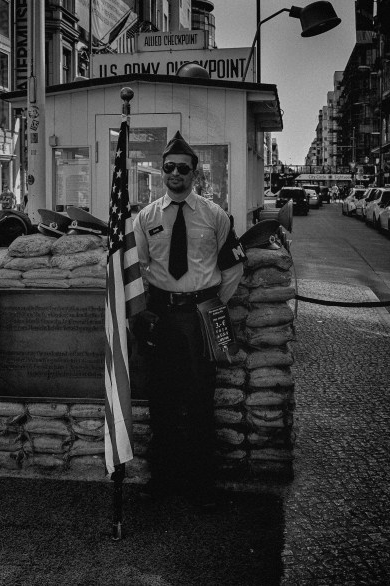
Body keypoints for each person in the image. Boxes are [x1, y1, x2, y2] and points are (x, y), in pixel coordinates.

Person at [132, 131, 244, 509]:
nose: (175, 174)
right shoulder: (146, 218)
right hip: (162, 316)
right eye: (169, 168)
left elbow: (232, 267)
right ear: (162, 171)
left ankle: (200, 483)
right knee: (162, 399)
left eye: (183, 168)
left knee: (200, 399)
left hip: (200, 317)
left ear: (195, 173)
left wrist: (211, 302)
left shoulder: (215, 215)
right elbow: (140, 266)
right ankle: (163, 479)